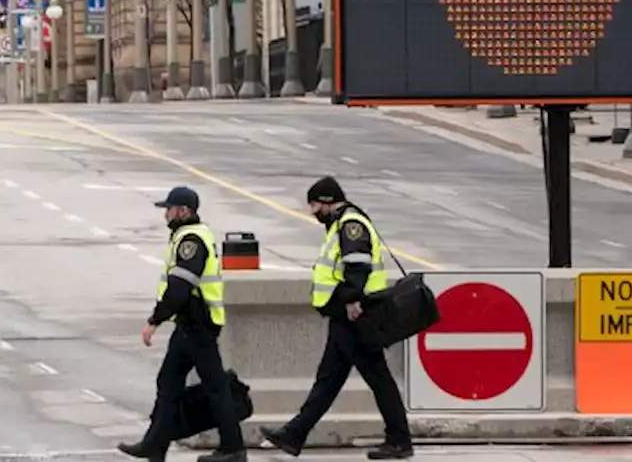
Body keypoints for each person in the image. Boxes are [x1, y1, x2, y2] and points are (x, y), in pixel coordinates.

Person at [261, 177, 413, 460]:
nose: (313, 212)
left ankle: (400, 440)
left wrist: (353, 299)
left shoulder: (350, 225)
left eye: (315, 205)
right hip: (345, 315)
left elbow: (358, 265)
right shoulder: (341, 223)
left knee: (377, 377)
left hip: (356, 315)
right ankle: (294, 435)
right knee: (329, 379)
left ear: (329, 201)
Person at [119, 186, 246, 462]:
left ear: (184, 211)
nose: (165, 214)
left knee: (215, 387)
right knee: (169, 382)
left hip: (199, 324)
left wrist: (154, 320)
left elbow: (179, 288)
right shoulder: (185, 237)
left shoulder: (192, 241)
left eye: (169, 209)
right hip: (189, 324)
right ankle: (155, 444)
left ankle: (233, 448)